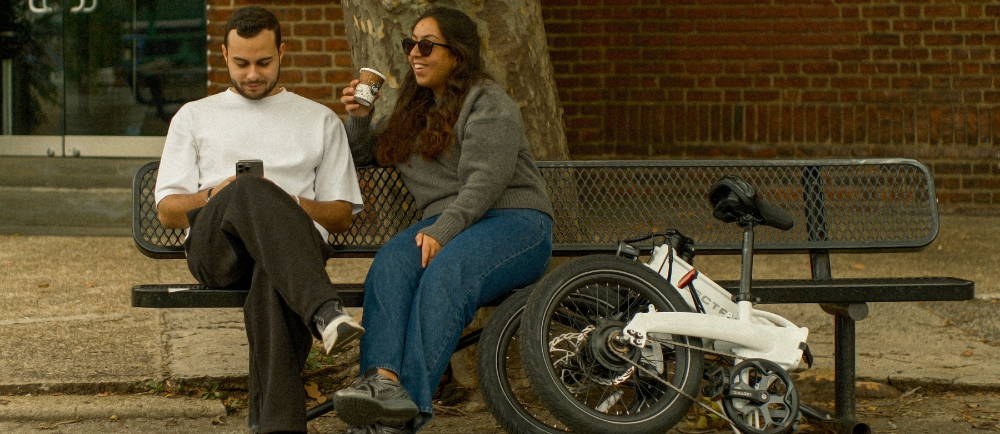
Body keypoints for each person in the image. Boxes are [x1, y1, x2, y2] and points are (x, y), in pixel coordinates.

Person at [335, 6, 554, 433]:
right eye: (410, 44)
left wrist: (443, 232)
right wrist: (359, 118)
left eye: (426, 45)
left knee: (445, 276)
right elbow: (361, 155)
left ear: (458, 53)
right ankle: (382, 385)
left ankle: (403, 415)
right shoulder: (414, 111)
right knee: (391, 267)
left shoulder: (487, 101)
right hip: (450, 228)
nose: (415, 53)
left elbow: (485, 181)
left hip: (514, 223)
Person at [153, 6, 365, 433]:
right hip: (221, 253)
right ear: (225, 55)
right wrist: (225, 192)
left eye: (264, 62)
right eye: (242, 63)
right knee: (249, 187)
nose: (252, 74)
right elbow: (168, 210)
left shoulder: (319, 119)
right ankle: (325, 311)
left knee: (274, 277)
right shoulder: (194, 116)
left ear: (282, 52)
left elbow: (340, 215)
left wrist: (289, 203)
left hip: (291, 257)